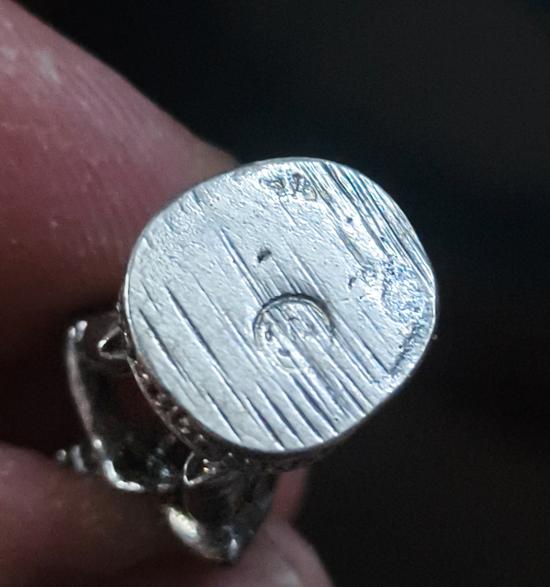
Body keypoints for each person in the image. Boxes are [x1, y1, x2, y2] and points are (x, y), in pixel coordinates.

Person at [0, 1, 332, 585]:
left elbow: (221, 541)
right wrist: (120, 452)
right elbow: (84, 343)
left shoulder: (236, 463)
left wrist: (185, 488)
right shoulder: (117, 340)